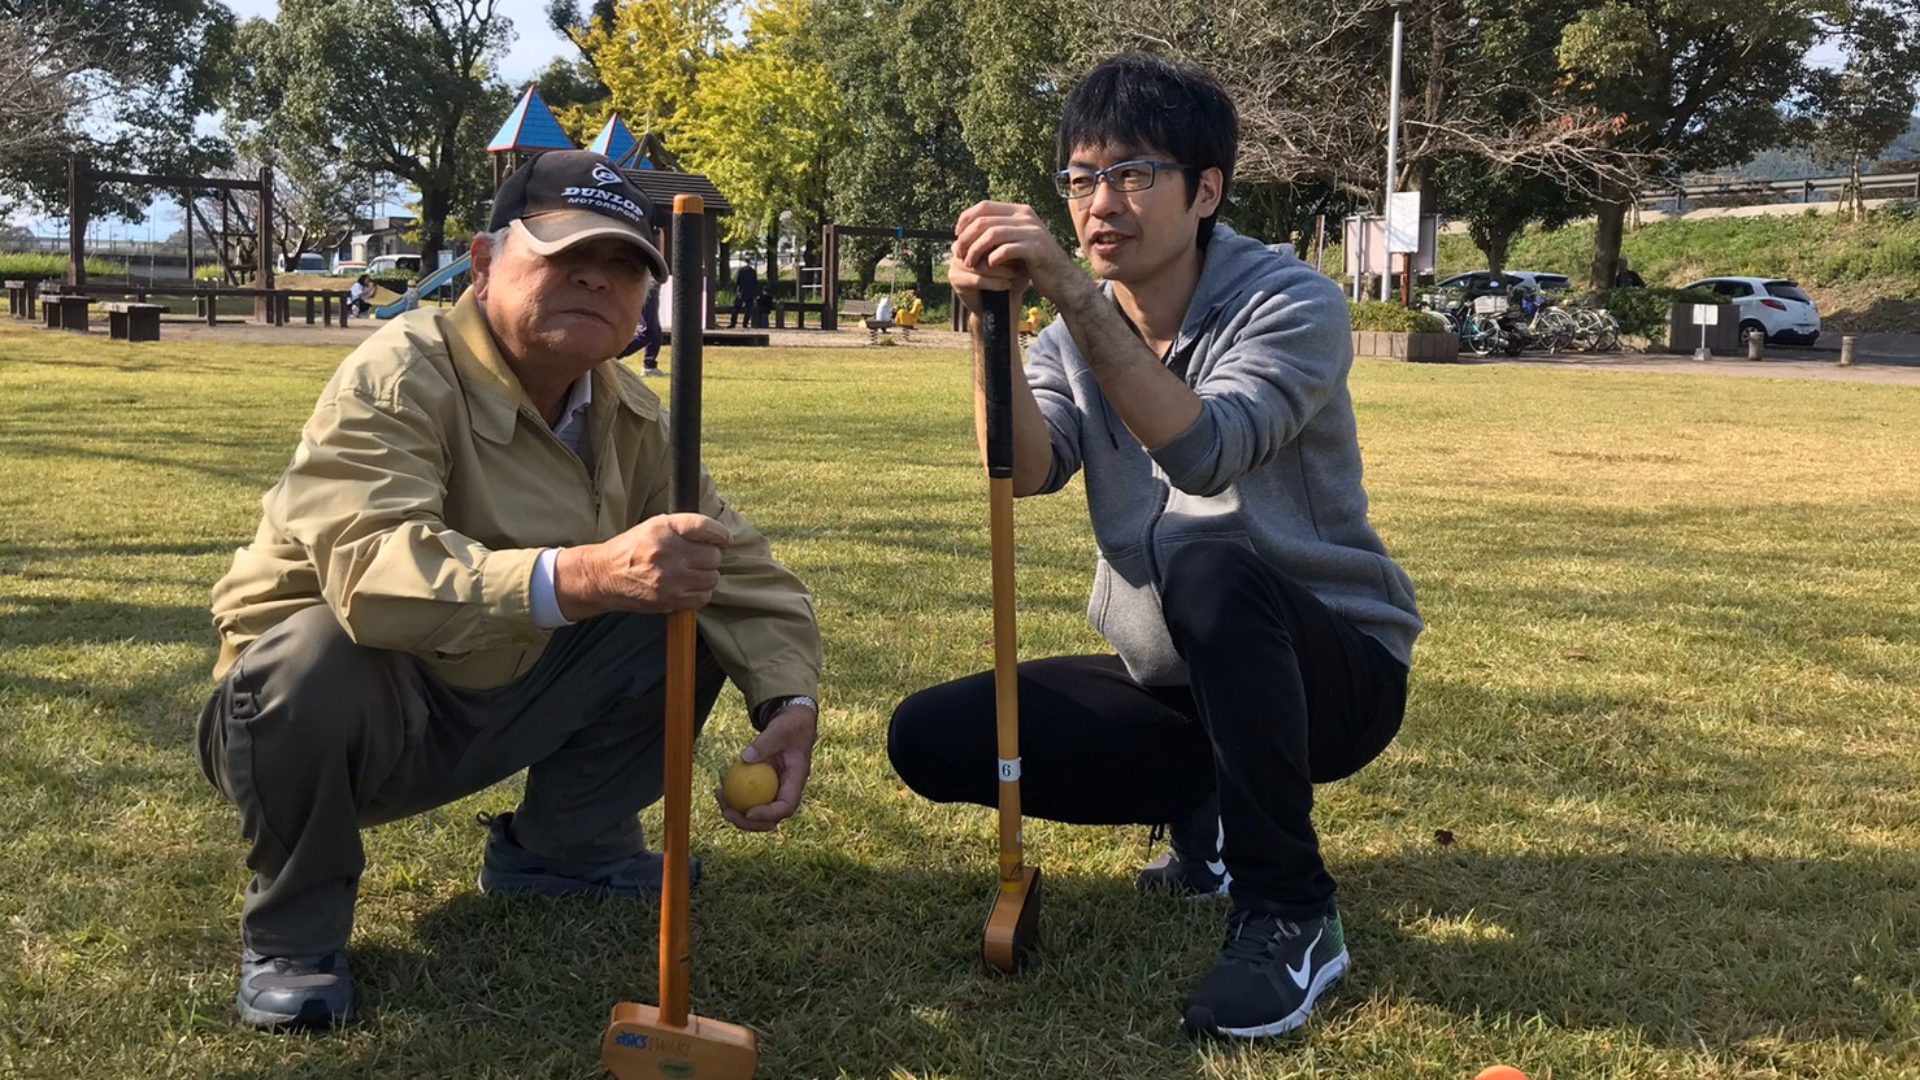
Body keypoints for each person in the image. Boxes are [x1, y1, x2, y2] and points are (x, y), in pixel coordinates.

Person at [198, 150, 823, 1031]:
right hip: (339, 714)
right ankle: (294, 932)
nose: (594, 281)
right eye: (565, 254)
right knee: (310, 654)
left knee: (686, 596)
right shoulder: (401, 368)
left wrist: (788, 699)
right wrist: (585, 574)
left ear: (645, 299)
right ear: (485, 262)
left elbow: (740, 564)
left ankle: (565, 851)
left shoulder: (629, 413)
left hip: (501, 687)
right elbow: (372, 571)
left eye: (623, 266)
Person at [887, 54, 1421, 1040]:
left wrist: (1069, 294)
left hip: (1333, 674)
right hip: (1178, 676)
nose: (1101, 203)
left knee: (1202, 547)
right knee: (932, 737)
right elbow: (1026, 467)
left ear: (1206, 189)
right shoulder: (1067, 336)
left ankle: (1293, 913)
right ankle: (1207, 816)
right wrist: (991, 327)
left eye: (1133, 174)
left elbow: (1205, 455)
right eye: (1081, 179)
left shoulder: (1290, 302)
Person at [620, 276, 664, 376]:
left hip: (649, 280)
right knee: (649, 331)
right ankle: (611, 357)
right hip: (646, 281)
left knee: (654, 330)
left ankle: (650, 365)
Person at [729, 258, 760, 327]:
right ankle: (745, 323)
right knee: (749, 309)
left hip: (741, 292)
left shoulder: (740, 270)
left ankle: (733, 323)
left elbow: (737, 281)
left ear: (744, 262)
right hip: (750, 293)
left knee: (736, 308)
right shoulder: (753, 271)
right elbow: (755, 282)